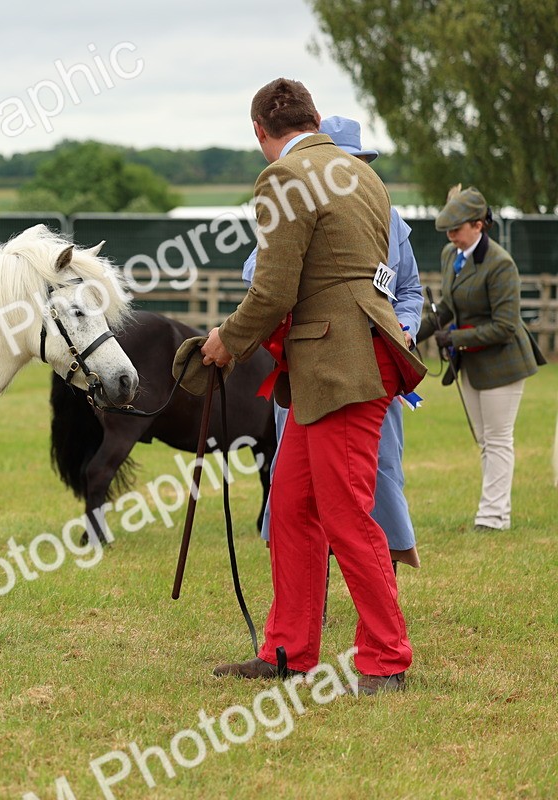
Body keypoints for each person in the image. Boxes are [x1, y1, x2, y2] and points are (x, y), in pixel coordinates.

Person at [199, 78, 426, 695]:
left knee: (347, 514)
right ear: (316, 118)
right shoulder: (364, 177)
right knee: (294, 506)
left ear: (258, 133)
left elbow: (272, 289)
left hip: (341, 371)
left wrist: (226, 340)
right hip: (344, 366)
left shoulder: (283, 177)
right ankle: (288, 650)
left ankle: (387, 656)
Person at [242, 116, 423, 569]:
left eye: (356, 162)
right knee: (299, 485)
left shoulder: (390, 216)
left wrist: (403, 327)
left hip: (375, 361)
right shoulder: (297, 205)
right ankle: (313, 581)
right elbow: (255, 272)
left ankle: (386, 570)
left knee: (381, 472)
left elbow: (411, 291)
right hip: (310, 365)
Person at [417, 186, 545, 531]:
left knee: (499, 439)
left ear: (478, 225)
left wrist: (454, 337)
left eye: (456, 230)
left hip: (504, 362)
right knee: (485, 440)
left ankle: (492, 517)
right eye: (448, 230)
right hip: (471, 362)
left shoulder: (501, 264)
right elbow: (446, 308)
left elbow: (505, 326)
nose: (450, 236)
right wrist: (413, 334)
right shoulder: (450, 255)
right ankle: (496, 512)